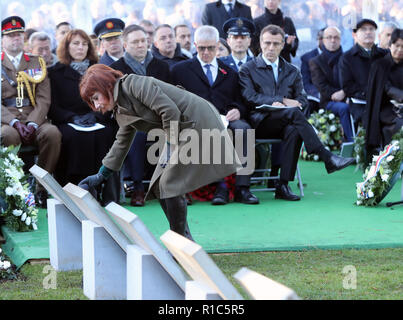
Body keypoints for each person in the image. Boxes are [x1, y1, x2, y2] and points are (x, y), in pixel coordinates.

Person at [78, 64, 241, 241]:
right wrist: (102, 174)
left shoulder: (134, 84)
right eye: (91, 102)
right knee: (159, 185)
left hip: (197, 121)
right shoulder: (120, 107)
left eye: (96, 98)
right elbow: (122, 142)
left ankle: (180, 242)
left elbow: (169, 111)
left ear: (106, 86)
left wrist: (171, 146)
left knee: (169, 183)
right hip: (180, 129)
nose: (96, 105)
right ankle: (184, 239)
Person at [239, 25, 355, 201]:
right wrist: (281, 101)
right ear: (260, 43)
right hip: (259, 122)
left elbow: (302, 100)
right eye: (267, 43)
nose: (271, 48)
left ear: (283, 45)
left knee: (294, 127)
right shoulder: (248, 69)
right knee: (293, 114)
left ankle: (283, 184)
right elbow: (249, 97)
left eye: (276, 44)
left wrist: (293, 104)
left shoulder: (292, 70)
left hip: (285, 122)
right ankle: (326, 156)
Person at [171, 25, 259, 205]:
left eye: (210, 48)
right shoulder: (180, 70)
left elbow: (240, 100)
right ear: (195, 45)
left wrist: (238, 110)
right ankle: (219, 187)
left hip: (225, 119)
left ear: (218, 45)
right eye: (201, 48)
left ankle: (243, 188)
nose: (205, 52)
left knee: (244, 129)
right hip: (192, 120)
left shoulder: (230, 72)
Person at [47, 29, 120, 206]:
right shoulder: (54, 73)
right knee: (73, 137)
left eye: (85, 43)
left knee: (105, 134)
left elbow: (109, 99)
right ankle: (74, 189)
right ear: (66, 47)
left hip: (97, 118)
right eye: (76, 43)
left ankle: (105, 189)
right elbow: (53, 106)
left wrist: (95, 115)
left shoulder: (99, 70)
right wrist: (72, 118)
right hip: (68, 121)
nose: (81, 47)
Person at [1, 16, 62, 208]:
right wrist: (14, 122)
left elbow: (44, 98)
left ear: (24, 38)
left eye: (19, 34)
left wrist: (33, 123)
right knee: (7, 136)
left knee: (52, 134)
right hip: (7, 120)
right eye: (10, 35)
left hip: (34, 116)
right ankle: (15, 188)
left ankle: (41, 188)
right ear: (3, 39)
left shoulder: (36, 62)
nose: (15, 39)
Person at [110, 24, 171, 206]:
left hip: (159, 117)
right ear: (125, 45)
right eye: (135, 42)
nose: (140, 45)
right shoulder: (115, 69)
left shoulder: (161, 66)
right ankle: (138, 187)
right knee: (136, 134)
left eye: (143, 41)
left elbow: (171, 94)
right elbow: (115, 101)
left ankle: (171, 186)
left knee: (177, 131)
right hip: (131, 119)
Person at [339, 19, 388, 125]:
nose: (368, 32)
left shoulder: (385, 55)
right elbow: (348, 86)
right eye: (363, 29)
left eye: (371, 29)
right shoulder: (347, 58)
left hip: (386, 102)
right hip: (362, 105)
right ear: (354, 35)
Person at [364, 28, 403, 163]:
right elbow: (385, 87)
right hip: (384, 109)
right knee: (400, 123)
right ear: (390, 45)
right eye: (397, 45)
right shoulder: (380, 64)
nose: (400, 50)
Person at [309, 26, 354, 142]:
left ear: (340, 40)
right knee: (344, 108)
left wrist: (345, 93)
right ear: (323, 40)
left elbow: (355, 80)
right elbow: (321, 86)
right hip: (328, 101)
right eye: (329, 37)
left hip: (350, 96)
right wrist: (338, 95)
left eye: (336, 37)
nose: (333, 40)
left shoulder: (348, 58)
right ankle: (350, 143)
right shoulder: (315, 61)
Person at [299, 29, 324, 117]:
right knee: (308, 105)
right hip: (314, 95)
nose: (323, 40)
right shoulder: (307, 58)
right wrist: (317, 93)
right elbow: (305, 82)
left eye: (325, 38)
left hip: (333, 94)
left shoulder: (340, 56)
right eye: (321, 38)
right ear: (317, 39)